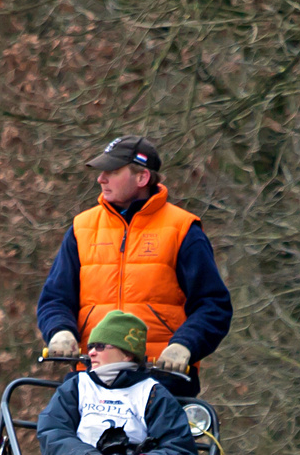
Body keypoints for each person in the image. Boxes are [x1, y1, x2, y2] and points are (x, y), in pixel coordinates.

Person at [36, 136, 233, 398]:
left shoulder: (183, 230)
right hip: (90, 377)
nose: (100, 179)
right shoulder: (82, 229)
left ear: (141, 178)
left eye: (113, 172)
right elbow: (55, 299)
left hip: (163, 382)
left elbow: (213, 305)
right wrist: (60, 331)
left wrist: (184, 347)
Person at [34, 311, 198, 455]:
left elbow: (181, 451)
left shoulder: (154, 394)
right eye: (91, 346)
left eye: (101, 346)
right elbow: (53, 433)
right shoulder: (76, 387)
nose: (91, 352)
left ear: (127, 354)